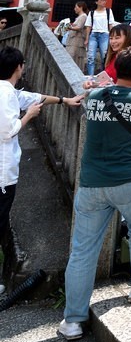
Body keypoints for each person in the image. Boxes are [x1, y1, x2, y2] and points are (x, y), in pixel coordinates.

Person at [58, 45, 131, 340]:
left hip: (91, 184)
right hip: (128, 180)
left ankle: (73, 320)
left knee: (83, 251)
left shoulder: (96, 97)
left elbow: (93, 91)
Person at [1, 46, 82, 252]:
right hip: (3, 173)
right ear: (19, 67)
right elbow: (8, 130)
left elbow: (34, 97)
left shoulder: (7, 91)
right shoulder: (6, 94)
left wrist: (64, 100)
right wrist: (28, 115)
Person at [83, 23, 131, 88]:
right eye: (111, 38)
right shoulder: (111, 57)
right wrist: (91, 83)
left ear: (127, 38)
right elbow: (106, 82)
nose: (113, 41)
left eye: (117, 38)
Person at [85, 0, 116, 75]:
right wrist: (87, 38)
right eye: (102, 0)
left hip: (104, 35)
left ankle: (104, 75)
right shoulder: (92, 13)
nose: (104, 2)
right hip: (94, 35)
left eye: (104, 0)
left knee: (104, 57)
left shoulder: (108, 11)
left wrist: (112, 37)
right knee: (91, 57)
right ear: (97, 2)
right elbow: (88, 26)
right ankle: (90, 76)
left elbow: (111, 25)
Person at [65, 1, 90, 66]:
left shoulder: (83, 16)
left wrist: (70, 27)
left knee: (74, 56)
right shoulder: (80, 16)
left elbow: (79, 27)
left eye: (76, 7)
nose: (74, 9)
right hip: (74, 40)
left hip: (77, 41)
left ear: (81, 7)